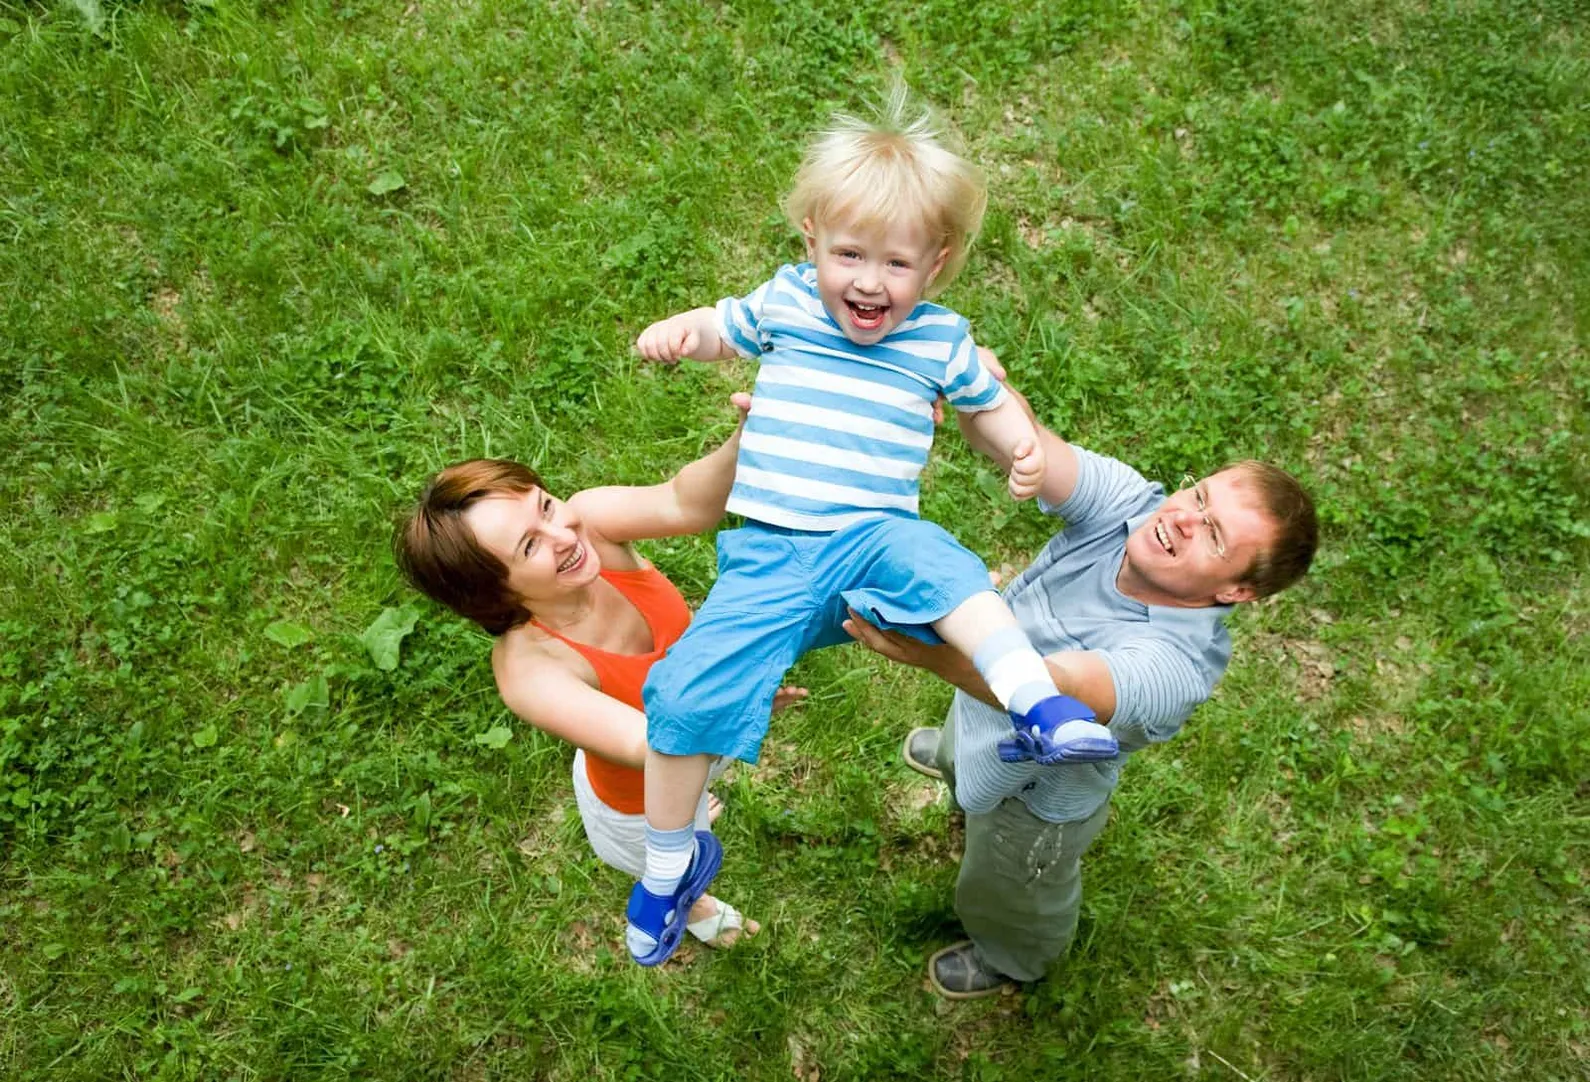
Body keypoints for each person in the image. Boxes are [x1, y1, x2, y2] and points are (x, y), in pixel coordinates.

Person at [626, 90, 1118, 966]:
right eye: (849, 254)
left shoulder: (939, 340)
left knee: (947, 569)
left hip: (874, 534)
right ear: (811, 238)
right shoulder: (782, 303)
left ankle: (1036, 702)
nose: (868, 281)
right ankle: (669, 864)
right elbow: (720, 328)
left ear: (938, 263)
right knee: (683, 691)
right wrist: (679, 335)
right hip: (770, 555)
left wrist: (1023, 452)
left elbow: (989, 400)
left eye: (896, 264)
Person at [844, 373, 1319, 999]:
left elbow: (1045, 688)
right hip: (981, 704)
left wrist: (931, 654)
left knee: (1008, 885)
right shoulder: (1132, 507)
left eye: (1214, 534)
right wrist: (969, 380)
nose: (1181, 519)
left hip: (1036, 792)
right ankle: (960, 766)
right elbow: (1026, 447)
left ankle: (1014, 957)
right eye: (1199, 498)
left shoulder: (1173, 667)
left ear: (1236, 591)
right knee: (962, 743)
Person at [394, 395, 797, 955]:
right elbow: (651, 742)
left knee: (702, 787)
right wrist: (739, 700)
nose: (564, 535)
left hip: (703, 736)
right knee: (679, 858)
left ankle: (700, 804)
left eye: (545, 506)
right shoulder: (530, 670)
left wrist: (746, 435)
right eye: (530, 545)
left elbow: (687, 502)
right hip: (641, 802)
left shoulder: (590, 525)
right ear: (495, 592)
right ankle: (695, 905)